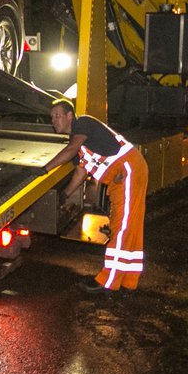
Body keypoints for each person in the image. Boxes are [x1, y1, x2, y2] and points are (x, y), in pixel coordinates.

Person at [42, 98, 148, 293]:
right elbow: (81, 172)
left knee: (122, 227)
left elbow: (71, 149)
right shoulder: (79, 143)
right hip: (121, 177)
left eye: (57, 116)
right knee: (125, 226)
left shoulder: (82, 124)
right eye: (51, 117)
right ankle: (128, 280)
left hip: (127, 170)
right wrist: (65, 194)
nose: (53, 121)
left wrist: (45, 169)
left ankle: (108, 282)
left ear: (70, 116)